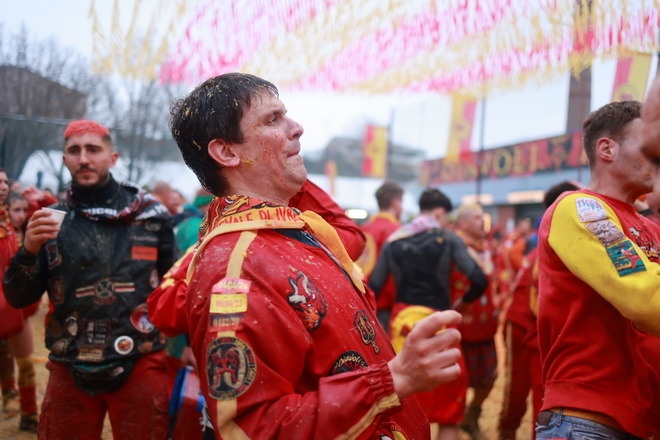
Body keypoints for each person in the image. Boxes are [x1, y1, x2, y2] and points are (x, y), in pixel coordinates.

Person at [168, 72, 463, 439]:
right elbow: (252, 427)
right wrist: (393, 379)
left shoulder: (295, 232)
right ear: (227, 152)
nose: (297, 128)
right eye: (272, 119)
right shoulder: (237, 267)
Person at [3, 119, 177, 439]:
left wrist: (188, 345)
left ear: (113, 157)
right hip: (69, 361)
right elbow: (18, 298)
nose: (83, 158)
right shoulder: (49, 219)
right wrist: (27, 250)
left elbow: (174, 285)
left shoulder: (150, 215)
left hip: (140, 358)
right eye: (75, 151)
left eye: (93, 149)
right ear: (64, 159)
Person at [536, 100, 660, 439]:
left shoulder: (650, 226)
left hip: (639, 418)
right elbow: (645, 299)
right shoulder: (582, 208)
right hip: (589, 418)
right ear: (606, 149)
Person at [369, 188, 488, 440]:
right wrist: (462, 303)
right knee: (449, 411)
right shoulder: (448, 239)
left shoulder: (394, 241)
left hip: (402, 326)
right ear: (440, 213)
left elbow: (373, 287)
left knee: (404, 406)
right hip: (440, 324)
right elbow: (479, 279)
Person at [498, 181, 580, 440]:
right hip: (525, 326)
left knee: (542, 396)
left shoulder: (559, 241)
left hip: (542, 332)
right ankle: (506, 431)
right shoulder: (549, 244)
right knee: (520, 390)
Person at [451, 204, 498, 440]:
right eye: (477, 217)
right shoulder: (454, 247)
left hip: (486, 327)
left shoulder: (486, 248)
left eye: (483, 217)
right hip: (460, 328)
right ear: (464, 222)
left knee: (489, 378)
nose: (483, 222)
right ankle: (453, 427)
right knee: (456, 383)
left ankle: (472, 417)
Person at [356, 181, 404, 331]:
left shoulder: (363, 228)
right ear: (396, 202)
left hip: (361, 298)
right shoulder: (398, 232)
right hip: (385, 303)